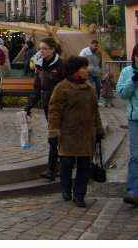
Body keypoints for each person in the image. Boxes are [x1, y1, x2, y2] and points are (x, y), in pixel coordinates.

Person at [48, 56, 104, 208]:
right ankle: (66, 188)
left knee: (84, 167)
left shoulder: (90, 89)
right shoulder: (62, 88)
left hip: (86, 135)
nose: (87, 71)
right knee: (66, 164)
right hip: (68, 134)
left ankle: (79, 194)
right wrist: (53, 131)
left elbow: (95, 112)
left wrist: (99, 129)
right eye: (84, 68)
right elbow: (54, 111)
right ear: (75, 71)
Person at [25, 37, 65, 181]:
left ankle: (53, 168)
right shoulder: (40, 65)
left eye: (44, 48)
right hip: (47, 105)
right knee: (54, 137)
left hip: (60, 106)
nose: (41, 51)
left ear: (53, 49)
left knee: (55, 138)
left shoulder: (61, 65)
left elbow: (65, 86)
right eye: (40, 48)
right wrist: (28, 106)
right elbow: (37, 87)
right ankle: (56, 167)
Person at [117, 43, 138, 207]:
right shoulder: (127, 72)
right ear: (134, 56)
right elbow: (121, 94)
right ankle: (134, 190)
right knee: (136, 156)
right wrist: (133, 81)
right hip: (136, 120)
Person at [80, 39, 103, 104]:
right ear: (90, 44)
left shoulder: (98, 52)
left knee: (98, 86)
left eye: (97, 46)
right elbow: (80, 60)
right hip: (88, 72)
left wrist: (100, 70)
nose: (96, 47)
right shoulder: (84, 51)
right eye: (95, 46)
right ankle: (90, 100)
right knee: (90, 86)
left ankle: (97, 100)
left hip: (96, 72)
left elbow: (100, 63)